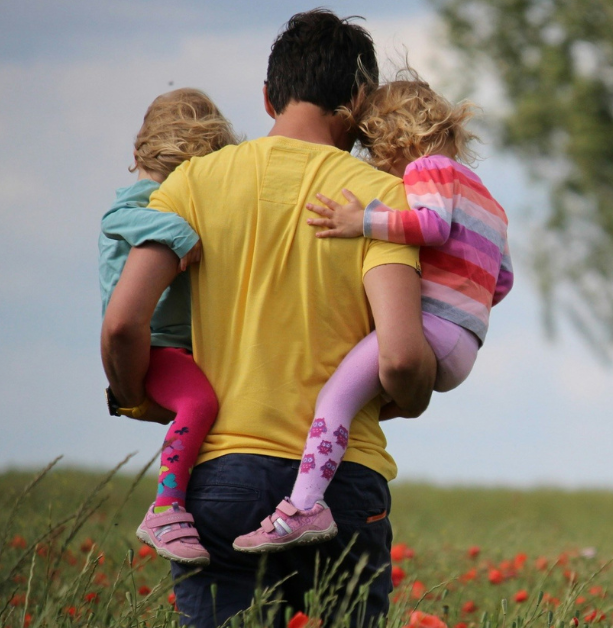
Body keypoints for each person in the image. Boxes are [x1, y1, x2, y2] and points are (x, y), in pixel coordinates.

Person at [101, 9, 435, 627]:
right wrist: (408, 398)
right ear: (359, 100)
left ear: (266, 96)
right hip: (343, 483)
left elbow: (123, 324)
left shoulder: (192, 184)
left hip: (221, 477)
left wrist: (133, 395)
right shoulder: (381, 199)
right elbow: (404, 357)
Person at [233, 74, 514, 553]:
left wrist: (360, 221)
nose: (376, 163)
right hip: (465, 342)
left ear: (396, 138)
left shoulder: (428, 170)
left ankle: (304, 506)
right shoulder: (489, 199)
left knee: (334, 399)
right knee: (361, 399)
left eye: (374, 148)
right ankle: (318, 483)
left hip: (431, 329)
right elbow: (502, 280)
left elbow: (430, 225)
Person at [99, 88, 237, 566]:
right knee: (199, 402)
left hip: (178, 346)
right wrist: (179, 232)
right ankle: (166, 508)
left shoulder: (163, 195)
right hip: (155, 346)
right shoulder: (143, 201)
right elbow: (117, 218)